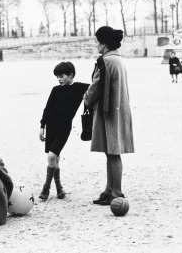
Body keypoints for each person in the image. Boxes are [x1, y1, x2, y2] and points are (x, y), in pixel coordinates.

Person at [83, 26, 134, 206]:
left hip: (109, 112)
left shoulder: (106, 61)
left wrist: (86, 98)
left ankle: (116, 191)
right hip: (119, 109)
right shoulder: (117, 59)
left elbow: (96, 86)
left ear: (104, 43)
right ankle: (110, 189)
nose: (96, 45)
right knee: (111, 152)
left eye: (97, 41)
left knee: (113, 153)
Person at [39, 62, 89, 200]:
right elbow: (47, 108)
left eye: (61, 76)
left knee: (51, 157)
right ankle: (60, 189)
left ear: (71, 75)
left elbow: (95, 87)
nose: (59, 79)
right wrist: (42, 127)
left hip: (64, 128)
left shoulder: (79, 88)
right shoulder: (55, 89)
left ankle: (46, 187)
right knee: (56, 158)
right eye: (57, 77)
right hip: (51, 127)